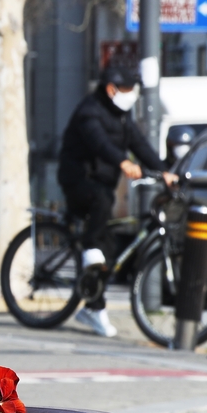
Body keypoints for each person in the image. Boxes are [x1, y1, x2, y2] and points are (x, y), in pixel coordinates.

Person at [57, 66, 179, 338]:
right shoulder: (89, 111)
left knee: (109, 250)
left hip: (103, 185)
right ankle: (89, 252)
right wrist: (122, 161)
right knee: (99, 207)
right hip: (78, 180)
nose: (132, 95)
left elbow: (140, 145)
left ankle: (92, 308)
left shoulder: (122, 117)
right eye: (127, 90)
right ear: (111, 89)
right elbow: (99, 143)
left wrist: (163, 171)